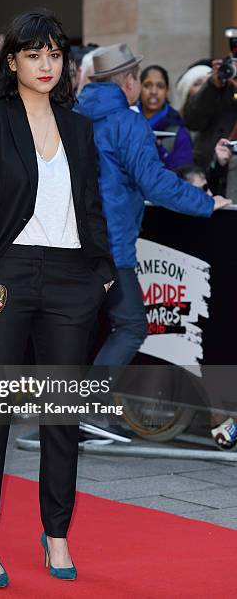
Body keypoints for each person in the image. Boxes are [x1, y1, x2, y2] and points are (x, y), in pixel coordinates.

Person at [0, 10, 114, 587]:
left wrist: (102, 275)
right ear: (13, 61)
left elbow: (92, 206)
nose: (46, 65)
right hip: (9, 274)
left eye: (54, 54)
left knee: (62, 416)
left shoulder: (81, 127)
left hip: (73, 277)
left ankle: (57, 534)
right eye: (34, 54)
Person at [74, 43, 230, 404]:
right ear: (129, 81)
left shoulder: (72, 116)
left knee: (73, 331)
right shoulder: (127, 122)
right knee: (131, 326)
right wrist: (205, 202)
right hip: (110, 244)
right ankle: (85, 410)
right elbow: (155, 182)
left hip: (72, 241)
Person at [183, 57, 237, 169]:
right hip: (215, 170)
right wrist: (212, 86)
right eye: (198, 83)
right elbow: (193, 121)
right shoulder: (219, 89)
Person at [139, 65, 193, 169]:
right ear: (139, 88)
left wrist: (161, 152)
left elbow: (183, 176)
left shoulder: (178, 131)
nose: (153, 92)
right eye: (147, 85)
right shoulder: (127, 122)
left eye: (160, 86)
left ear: (167, 91)